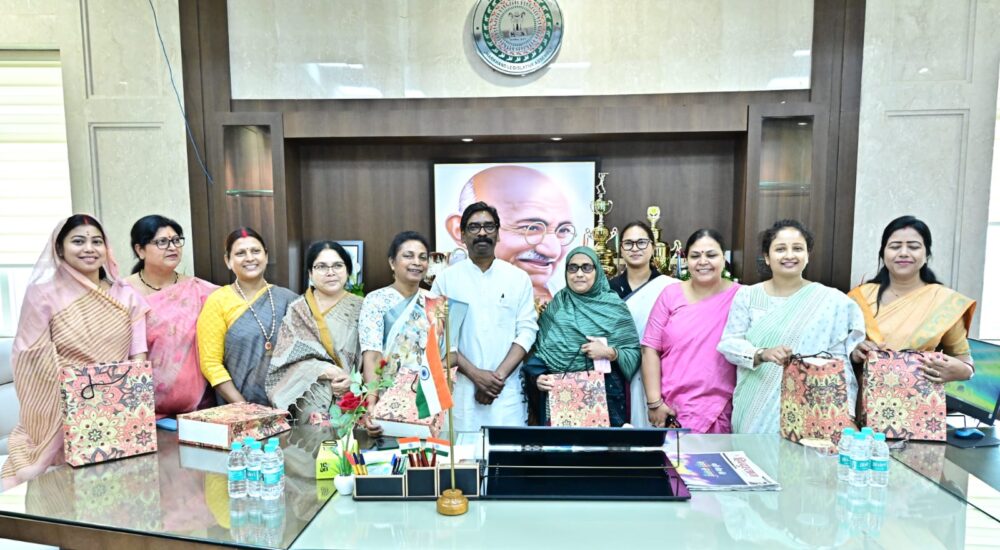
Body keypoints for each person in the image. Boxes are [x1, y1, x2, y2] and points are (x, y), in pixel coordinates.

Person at [2, 215, 149, 489]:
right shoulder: (42, 294)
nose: (89, 249)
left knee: (121, 488)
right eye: (78, 241)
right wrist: (79, 393)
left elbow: (138, 355)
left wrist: (121, 397)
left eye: (97, 241)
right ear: (59, 249)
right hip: (62, 404)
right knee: (60, 487)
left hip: (117, 406)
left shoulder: (125, 294)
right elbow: (29, 354)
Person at [718, 219, 864, 434]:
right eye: (780, 249)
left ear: (807, 255)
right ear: (767, 257)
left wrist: (846, 413)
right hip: (753, 406)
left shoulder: (831, 301)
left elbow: (840, 362)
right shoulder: (748, 296)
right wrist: (761, 353)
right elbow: (729, 344)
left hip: (810, 407)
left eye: (797, 248)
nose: (789, 255)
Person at [432, 202, 539, 431]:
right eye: (474, 227)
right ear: (462, 235)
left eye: (489, 226)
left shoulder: (518, 279)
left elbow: (527, 332)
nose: (482, 232)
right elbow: (438, 337)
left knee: (507, 461)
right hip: (460, 392)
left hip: (506, 392)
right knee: (462, 462)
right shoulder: (445, 281)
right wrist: (475, 375)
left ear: (498, 234)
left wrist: (495, 379)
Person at [848, 215, 975, 382]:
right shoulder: (859, 297)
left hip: (918, 400)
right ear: (883, 253)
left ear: (927, 254)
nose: (903, 253)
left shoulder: (944, 301)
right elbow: (833, 353)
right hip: (862, 398)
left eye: (914, 247)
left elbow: (963, 359)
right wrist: (853, 353)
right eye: (895, 246)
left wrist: (963, 371)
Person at [641, 229, 740, 433]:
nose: (703, 261)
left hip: (722, 409)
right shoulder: (670, 295)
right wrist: (654, 403)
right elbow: (650, 348)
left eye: (711, 255)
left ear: (724, 258)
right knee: (673, 464)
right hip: (673, 409)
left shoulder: (742, 297)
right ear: (686, 260)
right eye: (695, 256)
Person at [528, 247, 641, 426]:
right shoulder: (557, 305)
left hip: (606, 400)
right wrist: (538, 377)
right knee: (561, 453)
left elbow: (634, 354)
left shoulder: (615, 307)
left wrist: (609, 352)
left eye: (586, 268)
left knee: (602, 453)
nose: (579, 274)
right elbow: (539, 352)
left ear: (597, 271)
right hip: (562, 400)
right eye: (572, 268)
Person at [123, 215, 218, 419]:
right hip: (142, 410)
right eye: (162, 242)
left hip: (199, 408)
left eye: (176, 240)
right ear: (140, 250)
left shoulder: (199, 290)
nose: (172, 247)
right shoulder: (123, 293)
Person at [444, 165, 577, 303]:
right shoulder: (448, 285)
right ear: (460, 231)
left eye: (563, 231)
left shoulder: (568, 300)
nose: (553, 251)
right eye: (530, 228)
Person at [197, 227, 296, 406]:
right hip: (237, 409)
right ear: (228, 261)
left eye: (255, 251)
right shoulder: (218, 301)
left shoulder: (288, 299)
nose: (250, 258)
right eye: (240, 253)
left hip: (288, 406)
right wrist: (244, 408)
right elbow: (211, 364)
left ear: (265, 256)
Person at [266, 241, 362, 423]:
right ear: (310, 273)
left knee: (350, 449)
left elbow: (374, 359)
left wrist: (354, 381)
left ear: (348, 271)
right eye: (321, 267)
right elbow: (283, 362)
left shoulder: (363, 308)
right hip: (309, 402)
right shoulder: (298, 309)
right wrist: (324, 370)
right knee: (312, 449)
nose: (330, 272)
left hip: (353, 398)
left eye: (337, 265)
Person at [356, 231, 431, 436]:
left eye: (422, 257)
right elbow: (371, 354)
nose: (417, 262)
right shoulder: (376, 300)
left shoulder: (435, 302)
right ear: (392, 262)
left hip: (426, 397)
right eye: (408, 256)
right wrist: (372, 401)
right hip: (388, 396)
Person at [609, 221, 679, 426]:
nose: (635, 249)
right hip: (618, 371)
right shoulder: (608, 289)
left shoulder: (670, 287)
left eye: (641, 242)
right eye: (628, 244)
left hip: (661, 372)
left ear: (653, 247)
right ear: (620, 249)